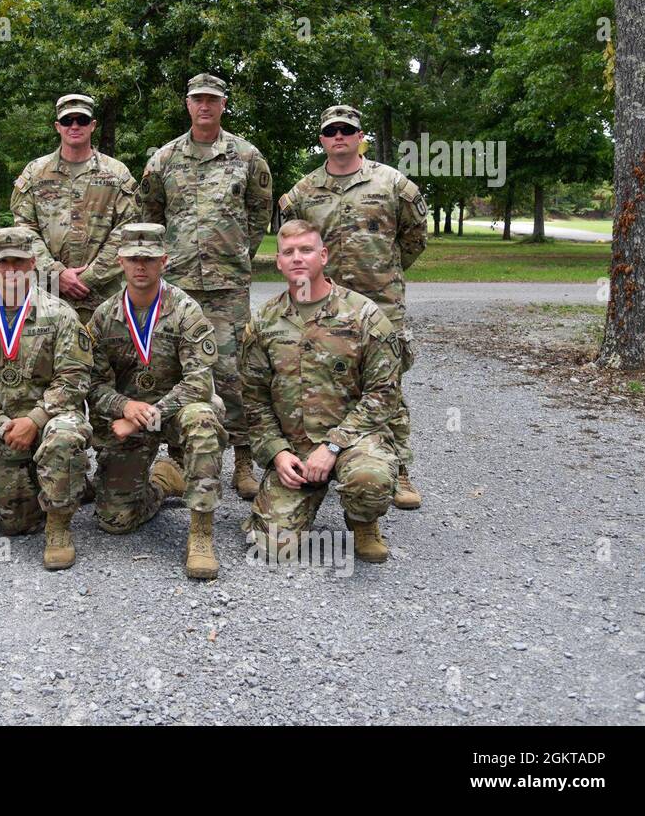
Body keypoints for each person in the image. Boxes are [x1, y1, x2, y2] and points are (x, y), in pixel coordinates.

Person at [279, 104, 428, 509]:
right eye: (331, 131)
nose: (339, 136)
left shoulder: (393, 184)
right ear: (322, 140)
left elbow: (413, 239)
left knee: (387, 386)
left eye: (347, 130)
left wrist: (385, 273)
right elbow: (292, 242)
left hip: (381, 303)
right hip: (323, 306)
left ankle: (397, 471)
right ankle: (322, 456)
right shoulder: (303, 193)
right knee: (323, 380)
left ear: (360, 136)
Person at [136, 73, 271, 502]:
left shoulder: (247, 156)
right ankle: (177, 458)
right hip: (177, 285)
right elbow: (150, 212)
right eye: (198, 100)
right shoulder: (164, 159)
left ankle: (244, 462)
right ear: (188, 105)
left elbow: (258, 211)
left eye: (213, 100)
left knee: (235, 374)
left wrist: (236, 250)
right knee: (177, 369)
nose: (205, 107)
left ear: (223, 104)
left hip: (228, 284)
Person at [239, 220, 401, 563]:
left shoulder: (363, 315)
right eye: (289, 252)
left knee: (368, 481)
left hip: (353, 441)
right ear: (279, 261)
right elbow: (255, 400)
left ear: (323, 256)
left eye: (306, 250)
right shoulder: (264, 322)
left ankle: (362, 520)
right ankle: (287, 505)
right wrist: (277, 453)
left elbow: (383, 393)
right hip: (295, 450)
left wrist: (333, 445)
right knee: (272, 549)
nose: (298, 258)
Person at [87, 224, 226, 580]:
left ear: (164, 261)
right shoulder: (103, 317)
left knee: (204, 417)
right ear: (120, 261)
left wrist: (143, 416)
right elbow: (92, 383)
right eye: (133, 258)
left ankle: (200, 533)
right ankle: (165, 481)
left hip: (176, 411)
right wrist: (122, 407)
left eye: (149, 259)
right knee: (114, 520)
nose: (140, 266)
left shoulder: (185, 310)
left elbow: (199, 381)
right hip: (128, 418)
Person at [0, 227, 93, 570]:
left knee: (62, 439)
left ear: (32, 264)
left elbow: (74, 378)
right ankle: (70, 482)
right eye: (3, 262)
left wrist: (36, 419)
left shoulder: (60, 315)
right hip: (7, 434)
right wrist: (2, 425)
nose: (11, 269)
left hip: (53, 420)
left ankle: (59, 526)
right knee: (13, 522)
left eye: (19, 261)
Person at [10, 92, 138, 322]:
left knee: (105, 357)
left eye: (82, 120)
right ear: (58, 127)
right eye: (68, 121)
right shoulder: (35, 172)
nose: (75, 126)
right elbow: (25, 230)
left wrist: (90, 276)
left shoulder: (117, 173)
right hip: (48, 294)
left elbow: (128, 229)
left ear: (93, 125)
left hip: (104, 295)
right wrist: (57, 274)